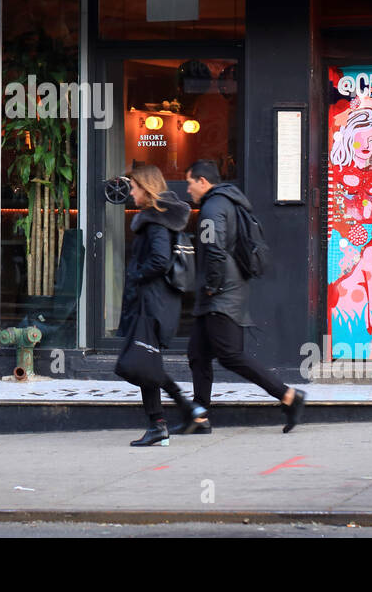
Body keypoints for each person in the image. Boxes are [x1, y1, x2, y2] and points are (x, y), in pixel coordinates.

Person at [178, 159, 306, 434]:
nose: (187, 190)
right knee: (198, 355)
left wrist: (212, 286)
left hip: (221, 293)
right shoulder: (228, 202)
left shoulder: (212, 207)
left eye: (189, 183)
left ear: (203, 182)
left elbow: (214, 249)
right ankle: (199, 416)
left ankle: (288, 396)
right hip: (224, 290)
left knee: (230, 355)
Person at [116, 164, 207, 447]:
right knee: (146, 363)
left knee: (143, 364)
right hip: (156, 302)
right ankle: (163, 422)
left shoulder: (155, 221)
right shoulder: (160, 218)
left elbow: (159, 260)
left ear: (147, 188)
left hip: (151, 303)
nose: (131, 192)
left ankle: (179, 413)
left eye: (134, 187)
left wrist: (135, 275)